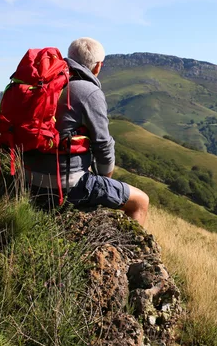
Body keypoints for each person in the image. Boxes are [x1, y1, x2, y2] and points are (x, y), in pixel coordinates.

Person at [24, 37, 149, 226]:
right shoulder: (88, 91)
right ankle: (134, 250)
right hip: (65, 185)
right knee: (140, 201)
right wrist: (104, 178)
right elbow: (103, 145)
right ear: (98, 66)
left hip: (26, 177)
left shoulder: (41, 83)